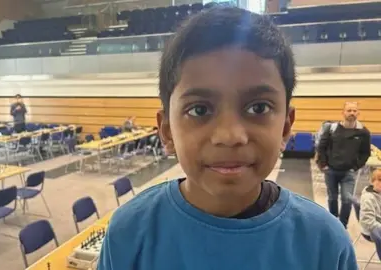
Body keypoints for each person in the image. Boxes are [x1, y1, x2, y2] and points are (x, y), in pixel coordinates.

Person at [98, 7, 356, 270]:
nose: (230, 136)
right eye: (199, 110)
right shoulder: (129, 233)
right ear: (167, 130)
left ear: (285, 127)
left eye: (259, 108)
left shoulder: (325, 244)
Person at [317, 101, 371, 227]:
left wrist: (356, 167)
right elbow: (322, 147)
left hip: (349, 172)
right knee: (332, 198)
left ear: (358, 113)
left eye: (354, 110)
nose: (352, 113)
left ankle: (342, 225)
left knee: (347, 200)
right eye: (349, 110)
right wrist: (324, 165)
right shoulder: (332, 129)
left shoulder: (363, 132)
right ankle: (333, 223)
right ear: (343, 113)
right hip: (331, 170)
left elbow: (365, 153)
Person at [360, 168, 381, 260]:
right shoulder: (368, 198)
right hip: (372, 231)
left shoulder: (378, 193)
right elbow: (368, 222)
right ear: (372, 181)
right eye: (380, 180)